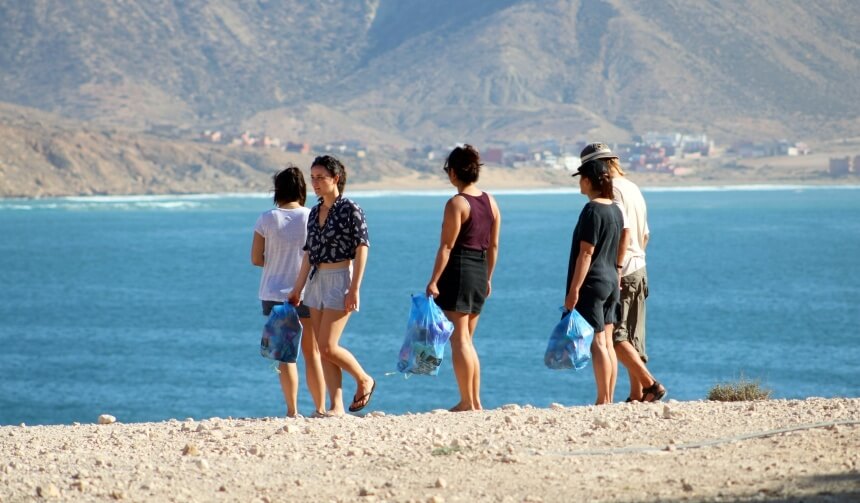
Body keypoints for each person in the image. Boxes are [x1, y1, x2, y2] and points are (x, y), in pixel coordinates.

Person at [288, 155, 375, 416]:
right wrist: (297, 289)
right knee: (322, 350)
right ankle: (336, 407)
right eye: (312, 177)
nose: (314, 183)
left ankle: (363, 379)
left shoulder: (351, 209)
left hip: (340, 278)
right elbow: (308, 254)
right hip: (316, 282)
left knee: (327, 345)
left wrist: (355, 287)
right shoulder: (314, 212)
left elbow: (362, 248)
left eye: (320, 177)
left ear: (335, 179)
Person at [426, 145, 501, 412]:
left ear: (454, 172)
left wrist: (433, 280)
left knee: (459, 340)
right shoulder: (491, 201)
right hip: (480, 272)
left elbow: (446, 247)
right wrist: (488, 278)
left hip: (459, 271)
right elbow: (493, 246)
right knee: (467, 339)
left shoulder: (457, 203)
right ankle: (474, 399)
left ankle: (468, 401)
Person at [251, 166, 326, 418]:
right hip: (308, 291)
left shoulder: (266, 218)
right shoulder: (312, 215)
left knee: (286, 356)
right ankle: (321, 408)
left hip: (274, 294)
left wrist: (274, 260)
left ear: (278, 191)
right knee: (312, 352)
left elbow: (255, 259)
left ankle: (293, 411)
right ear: (302, 190)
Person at [596, 144, 667, 402]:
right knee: (634, 335)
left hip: (623, 269)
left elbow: (621, 232)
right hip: (640, 267)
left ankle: (650, 385)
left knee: (615, 336)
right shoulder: (633, 187)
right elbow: (645, 234)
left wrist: (615, 267)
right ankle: (636, 394)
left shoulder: (612, 190)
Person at [565, 147, 626, 405]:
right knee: (608, 342)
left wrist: (574, 290)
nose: (579, 183)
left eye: (581, 178)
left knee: (598, 342)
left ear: (589, 180)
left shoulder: (591, 211)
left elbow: (586, 253)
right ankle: (608, 396)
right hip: (612, 279)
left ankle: (602, 399)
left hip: (593, 282)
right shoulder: (615, 209)